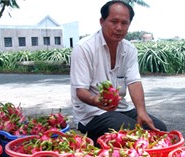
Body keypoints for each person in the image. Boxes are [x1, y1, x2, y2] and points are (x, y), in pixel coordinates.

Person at [70, 0, 167, 144]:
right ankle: (98, 143)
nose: (119, 28)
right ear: (102, 21)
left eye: (124, 23)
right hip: (91, 113)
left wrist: (141, 111)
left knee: (159, 129)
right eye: (114, 21)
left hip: (121, 108)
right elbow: (80, 90)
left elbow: (134, 82)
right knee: (133, 134)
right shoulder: (84, 48)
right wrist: (95, 100)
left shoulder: (129, 49)